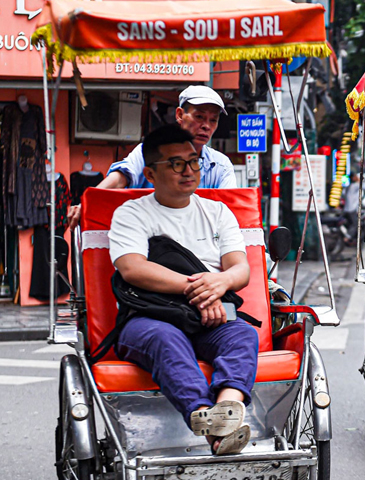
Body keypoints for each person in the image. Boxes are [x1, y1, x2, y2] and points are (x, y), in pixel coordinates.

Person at [108, 124, 257, 455]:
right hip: (149, 317)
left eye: (194, 161)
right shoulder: (131, 213)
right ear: (150, 172)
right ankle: (208, 425)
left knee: (243, 335)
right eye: (177, 164)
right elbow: (133, 268)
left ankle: (227, 416)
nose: (189, 171)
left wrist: (221, 283)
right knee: (167, 339)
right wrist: (203, 288)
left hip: (210, 313)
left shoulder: (217, 212)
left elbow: (240, 269)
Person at [67, 85, 237, 229]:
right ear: (179, 115)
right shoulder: (149, 152)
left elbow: (230, 209)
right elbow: (120, 179)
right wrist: (89, 202)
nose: (206, 126)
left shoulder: (220, 165)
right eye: (199, 117)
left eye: (213, 120)